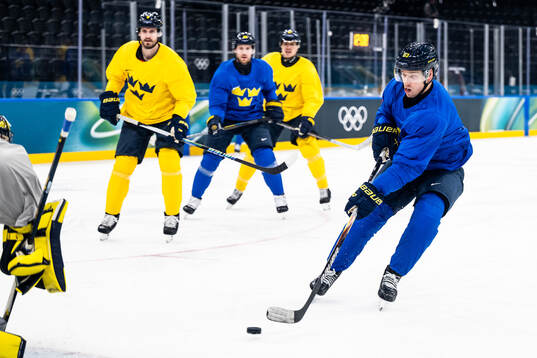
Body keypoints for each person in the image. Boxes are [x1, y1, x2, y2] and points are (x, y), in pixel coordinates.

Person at [310, 42, 473, 306]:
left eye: (412, 75)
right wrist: (383, 129)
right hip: (408, 158)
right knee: (369, 213)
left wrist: (374, 190)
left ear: (429, 74)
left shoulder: (433, 112)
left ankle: (394, 274)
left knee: (427, 216)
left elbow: (410, 166)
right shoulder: (396, 87)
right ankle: (333, 268)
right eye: (402, 73)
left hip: (443, 168)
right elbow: (386, 111)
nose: (404, 80)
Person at [97, 11, 196, 241]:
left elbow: (186, 97)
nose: (148, 35)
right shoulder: (126, 52)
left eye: (152, 31)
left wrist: (180, 119)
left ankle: (172, 215)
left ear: (159, 33)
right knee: (123, 165)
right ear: (139, 33)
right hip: (135, 116)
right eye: (145, 31)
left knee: (169, 163)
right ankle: (110, 214)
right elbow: (116, 77)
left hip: (166, 117)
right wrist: (111, 96)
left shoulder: (172, 62)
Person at [182, 32, 287, 216]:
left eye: (248, 48)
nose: (244, 52)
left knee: (265, 156)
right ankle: (194, 199)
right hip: (228, 120)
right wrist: (215, 119)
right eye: (241, 48)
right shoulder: (224, 72)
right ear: (235, 50)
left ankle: (280, 197)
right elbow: (217, 103)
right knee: (210, 159)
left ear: (253, 50)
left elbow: (270, 91)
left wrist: (274, 106)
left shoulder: (263, 68)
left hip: (254, 119)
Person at [225, 29, 331, 210]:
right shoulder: (269, 60)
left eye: (293, 44)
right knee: (255, 150)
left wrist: (307, 119)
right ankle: (238, 189)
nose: (289, 47)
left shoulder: (306, 67)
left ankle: (323, 187)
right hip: (273, 112)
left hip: (297, 114)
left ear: (298, 46)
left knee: (310, 147)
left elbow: (313, 97)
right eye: (286, 43)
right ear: (280, 45)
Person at [0, 114, 68, 295]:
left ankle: (41, 260)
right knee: (6, 264)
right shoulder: (18, 149)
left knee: (6, 264)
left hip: (19, 219)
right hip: (33, 214)